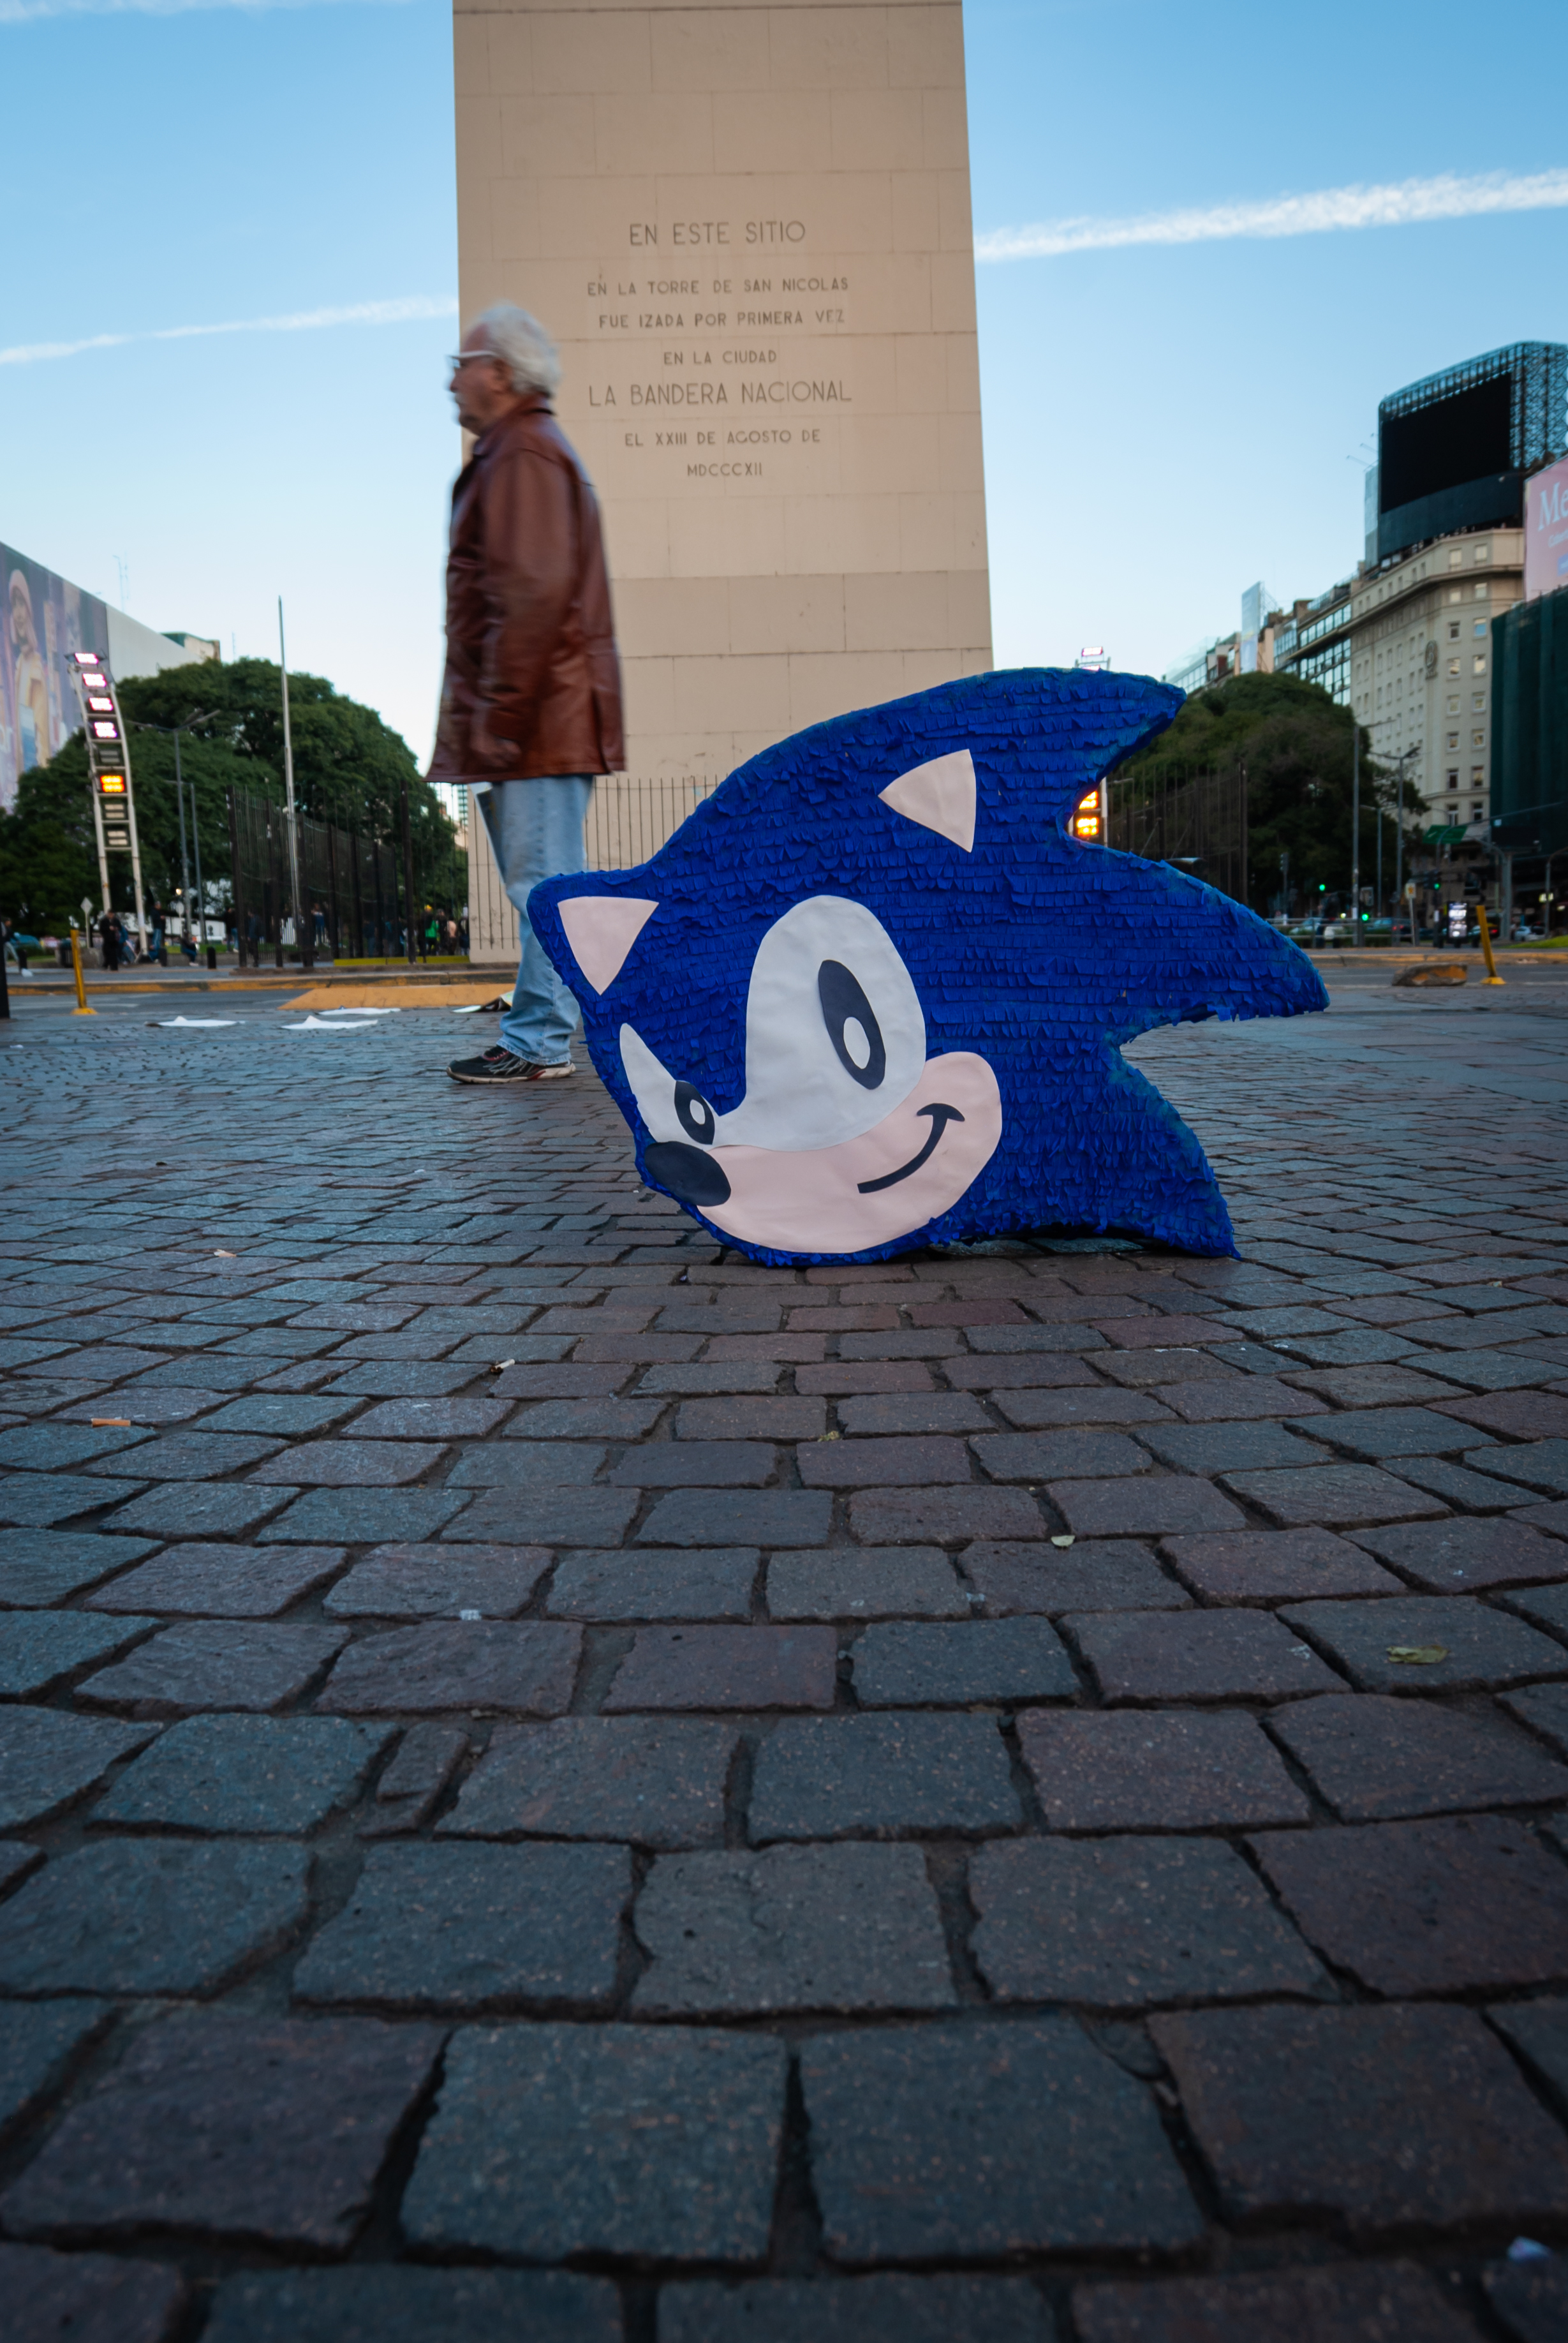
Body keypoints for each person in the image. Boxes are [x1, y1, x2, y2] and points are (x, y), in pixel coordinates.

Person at [431, 302, 624, 1085]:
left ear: (500, 375)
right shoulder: (522, 452)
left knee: (544, 887)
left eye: (462, 362)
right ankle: (540, 1028)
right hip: (534, 715)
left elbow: (531, 596)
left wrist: (501, 720)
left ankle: (542, 1038)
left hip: (534, 719)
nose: (451, 378)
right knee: (543, 885)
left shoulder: (524, 456)